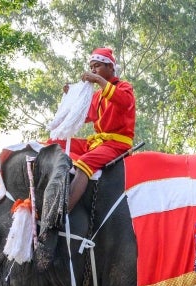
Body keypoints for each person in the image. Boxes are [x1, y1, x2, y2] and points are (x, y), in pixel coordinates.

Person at [50, 47, 136, 211]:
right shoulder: (96, 96)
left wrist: (98, 80)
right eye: (91, 67)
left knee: (85, 162)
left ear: (110, 67)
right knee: (54, 144)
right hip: (98, 143)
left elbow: (124, 101)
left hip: (117, 145)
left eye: (97, 66)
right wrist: (71, 96)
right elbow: (82, 115)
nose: (93, 70)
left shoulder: (124, 87)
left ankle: (63, 212)